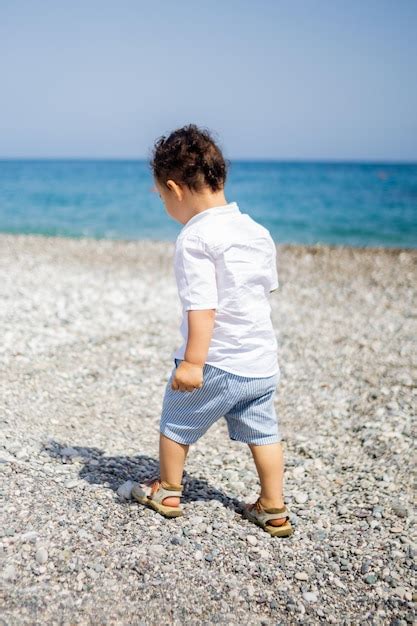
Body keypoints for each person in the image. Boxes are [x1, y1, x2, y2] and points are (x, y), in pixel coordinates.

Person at [132, 124, 292, 537]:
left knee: (176, 420)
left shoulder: (195, 237)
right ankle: (273, 507)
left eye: (161, 197)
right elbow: (263, 290)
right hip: (260, 363)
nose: (164, 204)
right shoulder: (257, 231)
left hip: (217, 362)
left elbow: (202, 308)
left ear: (174, 189)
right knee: (264, 431)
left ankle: (167, 490)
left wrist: (192, 363)